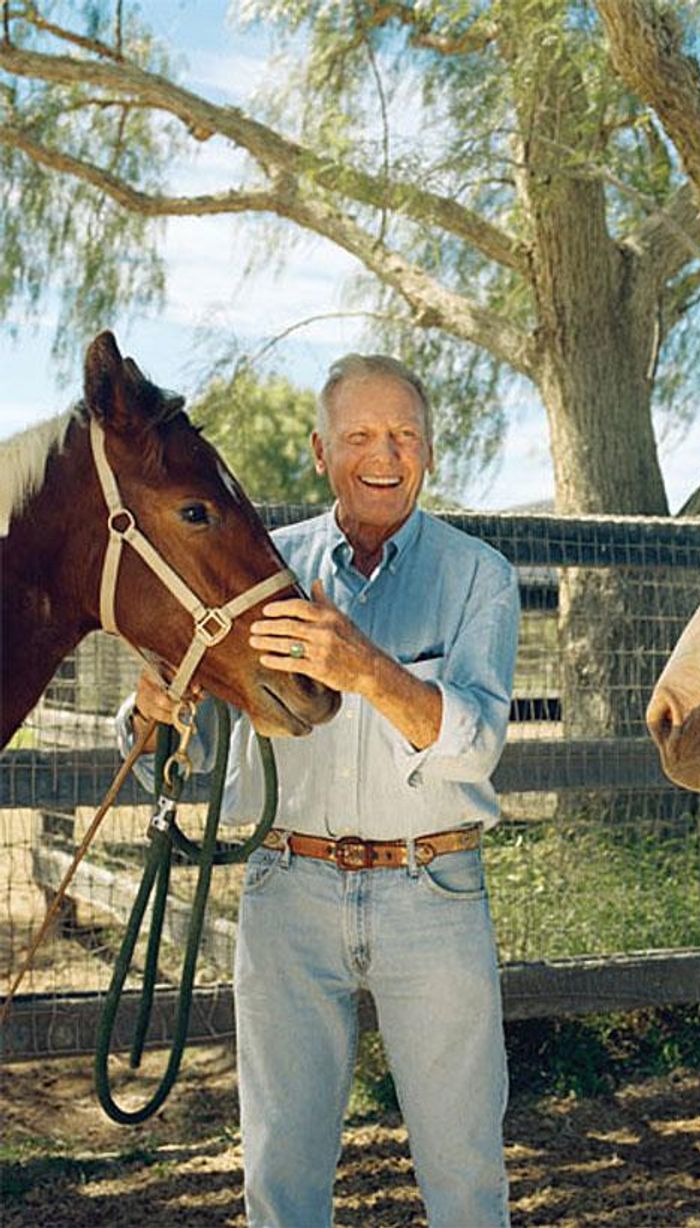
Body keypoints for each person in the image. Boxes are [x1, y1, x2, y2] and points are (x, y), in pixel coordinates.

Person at [118, 354, 519, 1227]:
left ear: (430, 451)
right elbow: (175, 750)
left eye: (405, 435)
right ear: (319, 451)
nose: (387, 455)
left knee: (464, 1171)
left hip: (432, 892)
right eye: (361, 435)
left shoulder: (478, 576)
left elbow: (478, 744)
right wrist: (153, 710)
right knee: (281, 1170)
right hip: (286, 890)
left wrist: (365, 668)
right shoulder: (260, 567)